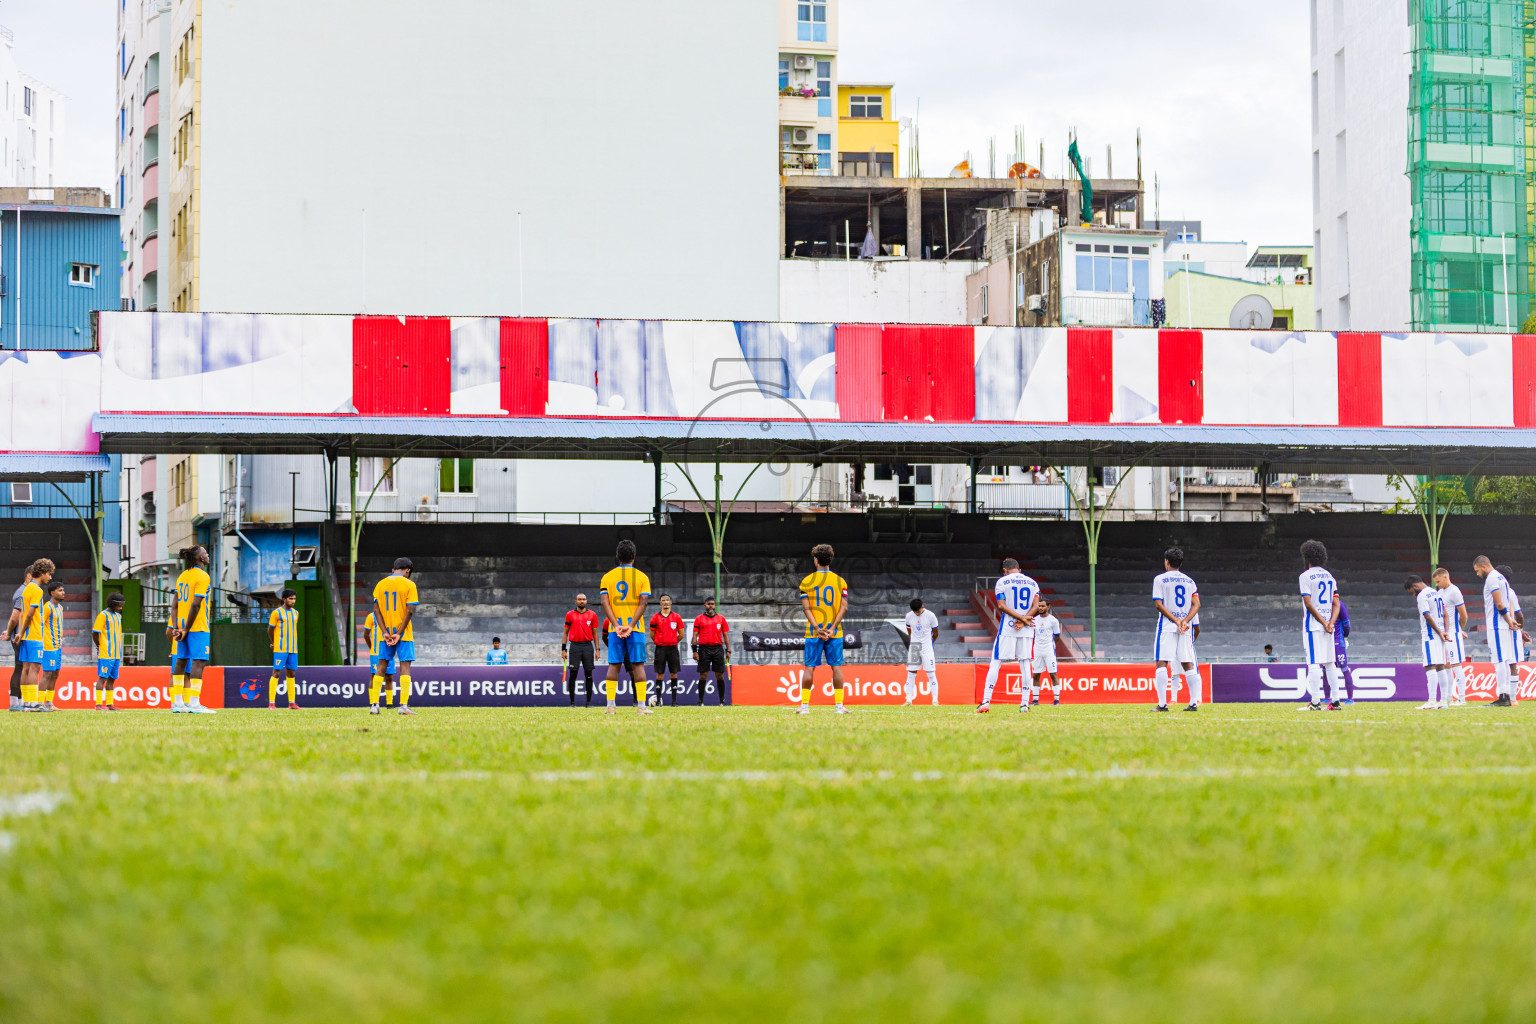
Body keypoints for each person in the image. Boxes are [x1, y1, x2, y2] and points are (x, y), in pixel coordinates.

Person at [599, 539, 653, 715]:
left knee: (614, 665)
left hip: (616, 630)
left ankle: (610, 707)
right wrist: (630, 625)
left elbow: (604, 603)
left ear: (617, 556)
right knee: (638, 666)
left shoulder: (607, 577)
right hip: (635, 629)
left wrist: (616, 625)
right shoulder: (642, 577)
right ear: (634, 556)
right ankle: (642, 707)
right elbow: (643, 603)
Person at [978, 557, 1038, 713]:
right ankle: (1024, 704)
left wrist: (1019, 618)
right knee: (1025, 663)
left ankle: (985, 701)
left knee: (996, 661)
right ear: (1019, 569)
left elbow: (1001, 606)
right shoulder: (1032, 583)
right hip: (1026, 628)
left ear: (1005, 570)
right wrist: (1024, 620)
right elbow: (1036, 606)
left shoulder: (1002, 582)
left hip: (1008, 627)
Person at [798, 543, 849, 715]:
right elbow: (844, 607)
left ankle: (804, 707)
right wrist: (832, 628)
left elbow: (806, 609)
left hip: (814, 632)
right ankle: (839, 706)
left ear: (816, 560)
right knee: (836, 667)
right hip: (835, 632)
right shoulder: (840, 581)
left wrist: (817, 628)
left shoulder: (806, 581)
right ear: (830, 559)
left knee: (809, 667)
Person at [1152, 546, 1201, 712]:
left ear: (1166, 561)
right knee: (1188, 663)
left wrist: (1175, 620)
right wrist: (1185, 621)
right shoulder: (1190, 581)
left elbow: (1158, 604)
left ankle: (1162, 704)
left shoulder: (1160, 579)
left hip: (1167, 626)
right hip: (1185, 627)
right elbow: (1197, 604)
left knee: (1162, 662)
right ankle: (1193, 703)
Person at [1299, 539, 1346, 710]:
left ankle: (1315, 702)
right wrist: (1331, 623)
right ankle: (1335, 701)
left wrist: (1323, 622)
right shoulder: (1329, 576)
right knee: (1329, 663)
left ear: (1307, 556)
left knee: (1313, 663)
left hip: (1313, 626)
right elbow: (1337, 604)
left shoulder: (1305, 576)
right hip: (1328, 627)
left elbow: (1309, 604)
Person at [169, 546, 216, 714]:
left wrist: (177, 628)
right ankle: (195, 704)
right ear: (201, 559)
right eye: (205, 553)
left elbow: (174, 605)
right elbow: (196, 604)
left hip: (181, 626)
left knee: (181, 661)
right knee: (198, 661)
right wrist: (187, 629)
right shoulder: (203, 576)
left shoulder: (182, 576)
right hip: (197, 626)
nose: (208, 554)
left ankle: (178, 704)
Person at [370, 556, 418, 715]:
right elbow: (410, 611)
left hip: (385, 634)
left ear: (393, 570)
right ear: (408, 571)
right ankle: (403, 706)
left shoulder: (380, 584)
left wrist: (384, 632)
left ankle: (374, 705)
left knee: (381, 666)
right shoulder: (410, 584)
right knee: (405, 666)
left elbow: (376, 610)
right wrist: (399, 633)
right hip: (403, 634)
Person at [1474, 556, 1519, 706]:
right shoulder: (1502, 578)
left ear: (1484, 566)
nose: (1477, 574)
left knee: (1499, 661)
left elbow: (1499, 603)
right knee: (1504, 661)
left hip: (1497, 625)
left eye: (1477, 570)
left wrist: (1508, 620)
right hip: (1503, 626)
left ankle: (1503, 697)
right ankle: (1505, 696)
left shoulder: (1492, 578)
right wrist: (1510, 621)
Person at [1406, 575, 1451, 710]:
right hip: (1441, 634)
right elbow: (1445, 614)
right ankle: (1443, 701)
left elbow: (1426, 615)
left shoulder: (1422, 595)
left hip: (1431, 635)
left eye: (1412, 592)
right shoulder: (1435, 592)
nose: (1414, 595)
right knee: (1440, 666)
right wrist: (1445, 632)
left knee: (1430, 666)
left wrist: (1438, 632)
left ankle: (1431, 701)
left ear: (1415, 586)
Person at [13, 559, 52, 711]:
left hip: (25, 636)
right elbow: (29, 614)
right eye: (49, 574)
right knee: (35, 668)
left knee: (26, 668)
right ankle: (34, 702)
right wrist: (22, 631)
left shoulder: (26, 589)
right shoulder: (37, 590)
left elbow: (22, 614)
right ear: (42, 573)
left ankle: (26, 703)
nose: (50, 577)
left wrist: (20, 633)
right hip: (34, 634)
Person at [1431, 569, 1467, 706]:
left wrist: (1459, 630)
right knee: (1446, 665)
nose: (1437, 584)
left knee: (1456, 664)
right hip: (1444, 634)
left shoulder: (1455, 591)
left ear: (1445, 577)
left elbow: (1464, 615)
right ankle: (1448, 697)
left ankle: (1462, 698)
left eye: (1438, 581)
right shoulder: (1440, 593)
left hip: (1453, 633)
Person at [692, 596, 730, 706]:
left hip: (718, 649)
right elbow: (695, 636)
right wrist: (694, 651)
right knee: (703, 675)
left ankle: (722, 701)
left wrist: (729, 650)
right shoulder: (699, 618)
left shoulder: (721, 619)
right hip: (704, 649)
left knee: (720, 675)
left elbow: (726, 635)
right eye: (708, 604)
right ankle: (700, 701)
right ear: (705, 605)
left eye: (712, 604)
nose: (710, 606)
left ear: (715, 605)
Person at [562, 593, 598, 707]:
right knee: (573, 674)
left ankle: (588, 702)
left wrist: (597, 649)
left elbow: (595, 633)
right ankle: (572, 703)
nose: (582, 601)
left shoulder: (592, 615)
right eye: (579, 599)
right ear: (575, 601)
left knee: (589, 674)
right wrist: (563, 649)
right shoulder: (570, 615)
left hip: (588, 647)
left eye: (583, 599)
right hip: (575, 647)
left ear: (586, 601)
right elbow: (565, 632)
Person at [902, 597, 939, 707]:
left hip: (927, 647)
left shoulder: (931, 616)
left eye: (918, 611)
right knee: (911, 673)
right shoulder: (909, 616)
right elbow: (909, 631)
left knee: (931, 673)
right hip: (915, 647)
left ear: (922, 607)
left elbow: (936, 632)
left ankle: (935, 700)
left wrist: (930, 643)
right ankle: (908, 699)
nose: (917, 613)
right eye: (915, 612)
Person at [268, 588, 300, 709]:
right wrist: (274, 642)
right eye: (291, 599)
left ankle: (292, 703)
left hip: (293, 648)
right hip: (281, 649)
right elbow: (270, 629)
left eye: (294, 599)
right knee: (276, 673)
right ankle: (271, 703)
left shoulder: (296, 613)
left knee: (291, 673)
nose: (293, 601)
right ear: (284, 599)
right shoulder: (276, 613)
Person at [93, 591, 125, 711]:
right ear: (113, 603)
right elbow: (95, 632)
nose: (121, 608)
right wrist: (99, 645)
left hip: (116, 653)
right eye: (119, 606)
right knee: (102, 678)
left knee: (112, 679)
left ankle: (110, 704)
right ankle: (98, 705)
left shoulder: (118, 616)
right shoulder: (103, 615)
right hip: (106, 652)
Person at [1496, 564, 1526, 696]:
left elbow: (1519, 615)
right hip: (1505, 630)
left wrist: (1519, 629)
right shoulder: (1502, 592)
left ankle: (1512, 697)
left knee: (1511, 663)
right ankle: (1507, 695)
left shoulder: (1509, 592)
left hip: (1512, 632)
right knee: (1506, 662)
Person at [37, 580, 66, 712]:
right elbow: (40, 625)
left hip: (58, 647)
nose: (63, 592)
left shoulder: (60, 607)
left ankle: (49, 703)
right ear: (52, 592)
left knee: (55, 674)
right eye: (60, 590)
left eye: (63, 590)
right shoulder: (47, 607)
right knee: (47, 674)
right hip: (48, 646)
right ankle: (39, 703)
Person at [1028, 595, 1062, 707]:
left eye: (1042, 606)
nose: (1040, 608)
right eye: (1039, 606)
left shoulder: (1053, 621)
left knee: (1053, 674)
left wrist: (1050, 646)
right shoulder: (1034, 620)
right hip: (1037, 650)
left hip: (1049, 650)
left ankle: (1056, 700)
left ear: (1048, 607)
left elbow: (1057, 636)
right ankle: (1035, 700)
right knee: (1036, 675)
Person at [650, 596, 683, 706]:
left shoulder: (676, 617)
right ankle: (658, 701)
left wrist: (672, 641)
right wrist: (660, 641)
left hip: (673, 648)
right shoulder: (655, 617)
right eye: (663, 600)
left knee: (673, 673)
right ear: (660, 603)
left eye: (667, 600)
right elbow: (652, 634)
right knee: (660, 674)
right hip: (660, 649)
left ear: (671, 602)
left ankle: (674, 701)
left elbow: (681, 634)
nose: (665, 602)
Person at [363, 612, 399, 711]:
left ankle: (389, 704)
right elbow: (366, 634)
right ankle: (372, 702)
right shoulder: (371, 616)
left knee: (389, 677)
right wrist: (372, 648)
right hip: (376, 653)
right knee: (374, 675)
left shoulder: (390, 614)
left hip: (389, 650)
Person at [1333, 598, 1353, 706]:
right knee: (1326, 669)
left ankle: (1350, 698)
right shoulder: (1323, 606)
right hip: (1327, 642)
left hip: (1337, 642)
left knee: (1344, 668)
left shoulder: (1339, 605)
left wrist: (1345, 638)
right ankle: (1327, 698)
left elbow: (1347, 624)